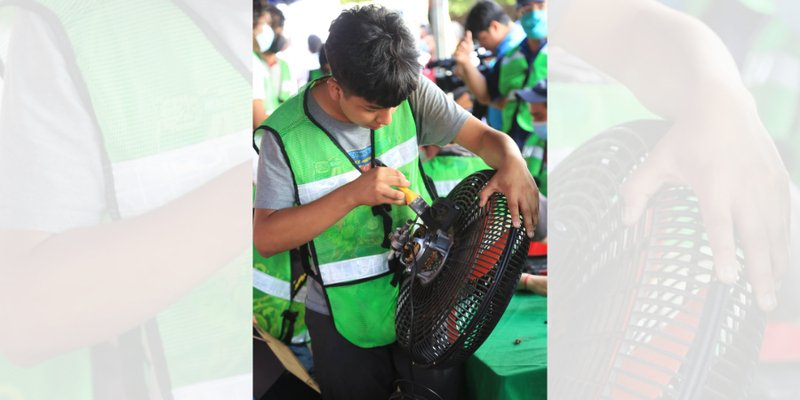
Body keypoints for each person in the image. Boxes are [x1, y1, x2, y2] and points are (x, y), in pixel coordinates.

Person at [253, 5, 539, 399]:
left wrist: (513, 159)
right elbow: (267, 237)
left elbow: (486, 139)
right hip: (343, 319)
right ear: (336, 87)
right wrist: (352, 195)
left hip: (428, 298)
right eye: (372, 109)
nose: (388, 119)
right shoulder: (285, 136)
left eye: (394, 106)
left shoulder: (406, 89)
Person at [455, 0, 547, 148]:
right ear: (519, 12)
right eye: (527, 9)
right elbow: (487, 94)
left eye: (541, 6)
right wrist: (465, 63)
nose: (534, 14)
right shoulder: (511, 57)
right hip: (517, 144)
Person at [454, 0, 525, 132]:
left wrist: (465, 62)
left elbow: (486, 95)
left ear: (495, 27)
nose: (482, 46)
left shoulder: (512, 51)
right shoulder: (515, 45)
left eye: (482, 39)